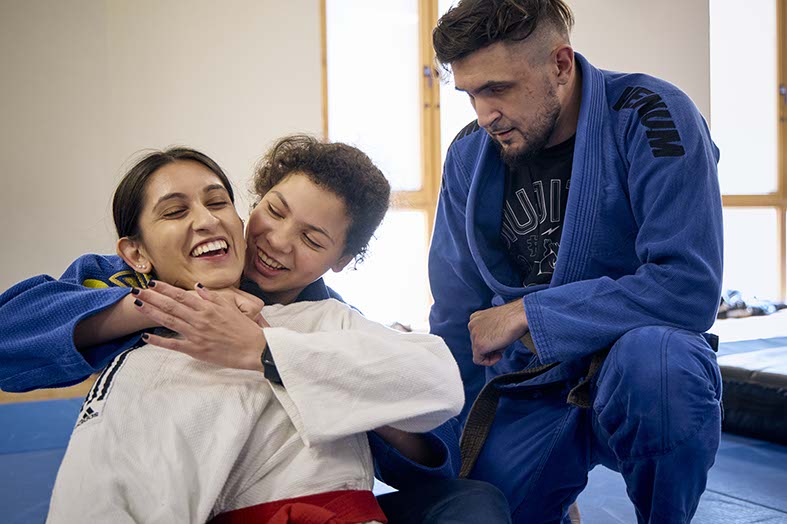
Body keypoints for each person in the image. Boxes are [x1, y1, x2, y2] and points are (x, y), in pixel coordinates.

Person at [1, 139, 510, 523]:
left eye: (312, 238)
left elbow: (433, 436)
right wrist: (158, 307)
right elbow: (10, 335)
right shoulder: (136, 277)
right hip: (201, 498)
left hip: (315, 501)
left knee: (474, 500)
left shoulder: (335, 326)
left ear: (342, 260)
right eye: (274, 211)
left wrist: (288, 361)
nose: (278, 243)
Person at [428, 1, 723, 523]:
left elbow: (687, 286)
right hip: (532, 380)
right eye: (471, 93)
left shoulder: (650, 113)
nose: (484, 113)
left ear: (561, 65)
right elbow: (458, 316)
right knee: (484, 511)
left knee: (657, 367)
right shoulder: (469, 155)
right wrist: (451, 448)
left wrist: (529, 314)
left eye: (498, 88)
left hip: (638, 368)